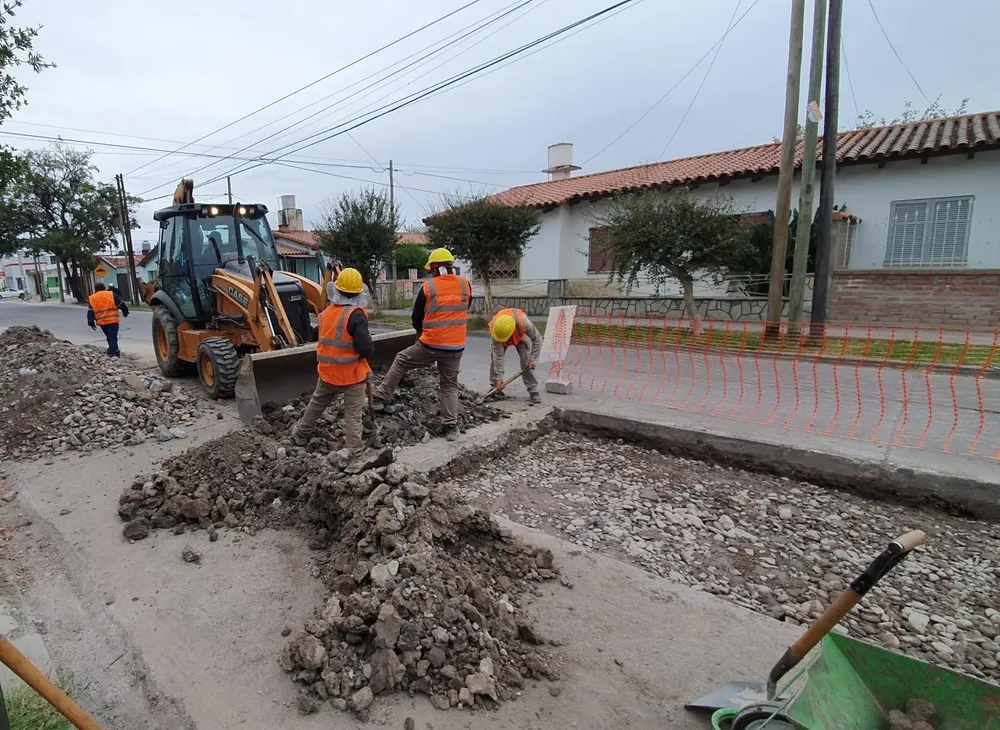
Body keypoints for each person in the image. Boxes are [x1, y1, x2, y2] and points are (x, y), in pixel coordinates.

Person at [374, 248, 471, 442]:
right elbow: (464, 307)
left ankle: (380, 397)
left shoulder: (428, 287)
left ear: (434, 268)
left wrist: (420, 333)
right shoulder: (465, 284)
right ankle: (450, 427)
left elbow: (416, 317)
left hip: (431, 345)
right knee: (449, 385)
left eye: (431, 270)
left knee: (401, 360)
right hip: (455, 347)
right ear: (451, 265)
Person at [292, 268, 373, 451]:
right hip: (352, 375)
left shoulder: (326, 313)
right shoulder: (356, 315)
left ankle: (301, 433)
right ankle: (354, 450)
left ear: (337, 290)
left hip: (328, 372)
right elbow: (365, 348)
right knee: (353, 414)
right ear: (359, 293)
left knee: (317, 402)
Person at [488, 308, 543, 405]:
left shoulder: (524, 323)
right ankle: (495, 388)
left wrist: (533, 358)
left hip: (520, 336)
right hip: (500, 336)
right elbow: (498, 357)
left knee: (527, 360)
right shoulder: (495, 328)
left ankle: (533, 391)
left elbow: (537, 340)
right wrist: (499, 378)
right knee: (494, 357)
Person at [87, 281, 129, 357]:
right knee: (112, 337)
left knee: (109, 337)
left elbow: (90, 311)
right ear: (104, 287)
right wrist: (125, 312)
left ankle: (114, 351)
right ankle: (112, 352)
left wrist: (91, 322)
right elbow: (121, 303)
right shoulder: (110, 294)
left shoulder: (92, 298)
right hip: (113, 320)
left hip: (102, 322)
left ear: (95, 289)